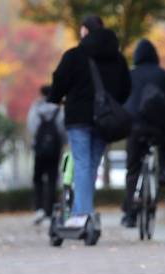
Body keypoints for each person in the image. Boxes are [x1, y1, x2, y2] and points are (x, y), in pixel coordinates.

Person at [48, 15, 131, 224]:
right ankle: (83, 210)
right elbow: (126, 88)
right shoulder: (117, 58)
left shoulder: (74, 55)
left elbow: (59, 81)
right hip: (105, 121)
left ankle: (81, 214)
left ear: (84, 31)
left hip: (79, 118)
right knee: (91, 166)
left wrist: (55, 99)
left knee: (83, 164)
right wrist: (110, 104)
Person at [121, 39, 165, 228]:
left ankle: (130, 215)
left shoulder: (129, 76)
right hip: (159, 127)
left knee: (132, 169)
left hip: (134, 126)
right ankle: (163, 170)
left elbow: (121, 99)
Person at [26, 85, 65, 225]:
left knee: (38, 179)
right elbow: (63, 128)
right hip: (55, 150)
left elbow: (31, 126)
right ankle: (50, 210)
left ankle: (39, 208)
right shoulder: (58, 109)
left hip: (40, 149)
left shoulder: (36, 107)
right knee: (53, 179)